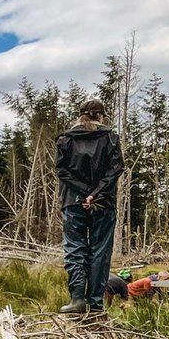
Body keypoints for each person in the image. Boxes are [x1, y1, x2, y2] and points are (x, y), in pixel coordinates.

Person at [56, 98, 124, 314]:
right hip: (103, 203)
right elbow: (116, 169)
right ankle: (95, 303)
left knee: (75, 248)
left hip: (72, 201)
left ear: (81, 115)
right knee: (100, 252)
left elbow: (62, 171)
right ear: (102, 116)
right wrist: (95, 194)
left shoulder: (66, 140)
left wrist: (85, 193)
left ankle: (77, 299)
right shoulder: (110, 138)